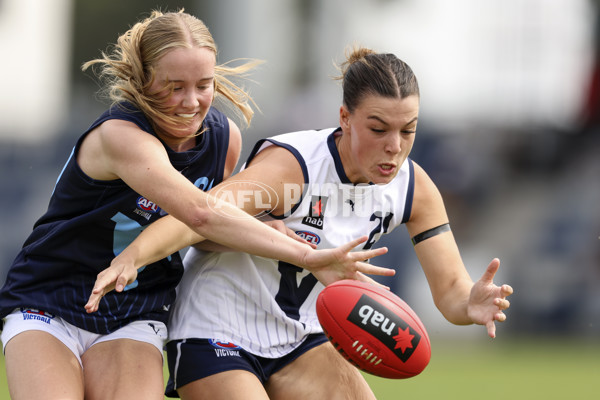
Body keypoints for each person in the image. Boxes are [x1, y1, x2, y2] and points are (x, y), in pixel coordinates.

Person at [0, 11, 392, 400]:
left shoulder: (224, 139)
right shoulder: (120, 136)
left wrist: (255, 234)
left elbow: (203, 234)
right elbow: (201, 213)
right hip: (49, 300)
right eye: (174, 87)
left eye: (204, 84)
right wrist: (309, 256)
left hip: (137, 309)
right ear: (144, 79)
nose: (192, 102)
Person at [86, 46, 513, 400]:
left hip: (301, 337)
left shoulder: (413, 190)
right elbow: (198, 216)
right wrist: (135, 254)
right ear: (345, 118)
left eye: (408, 131)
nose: (394, 147)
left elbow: (452, 292)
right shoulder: (295, 168)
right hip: (218, 327)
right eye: (379, 128)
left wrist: (470, 304)